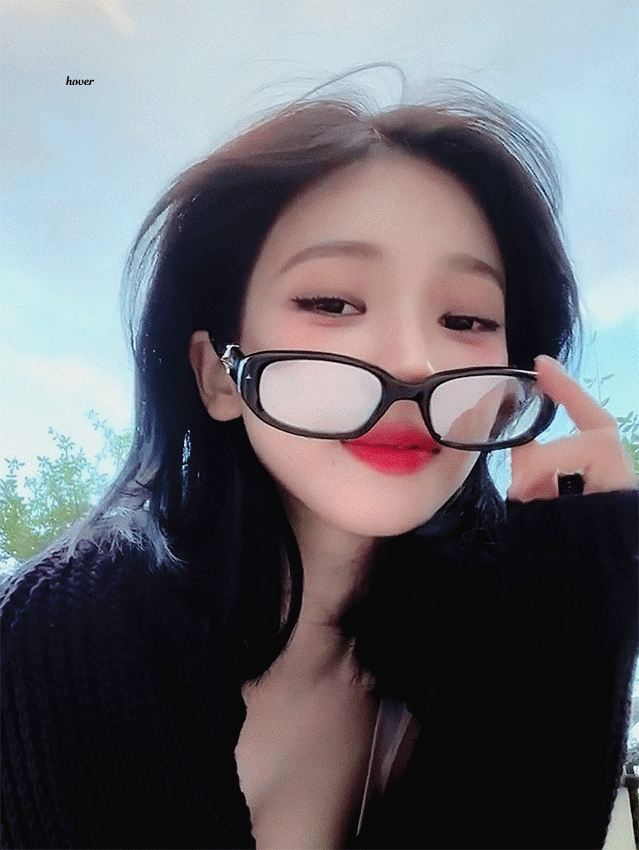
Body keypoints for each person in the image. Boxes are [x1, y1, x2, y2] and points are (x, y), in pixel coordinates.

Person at [1, 86, 637, 850]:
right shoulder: (70, 631)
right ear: (217, 376)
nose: (414, 361)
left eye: (465, 319)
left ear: (506, 394)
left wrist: (573, 593)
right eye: (332, 302)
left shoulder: (475, 635)